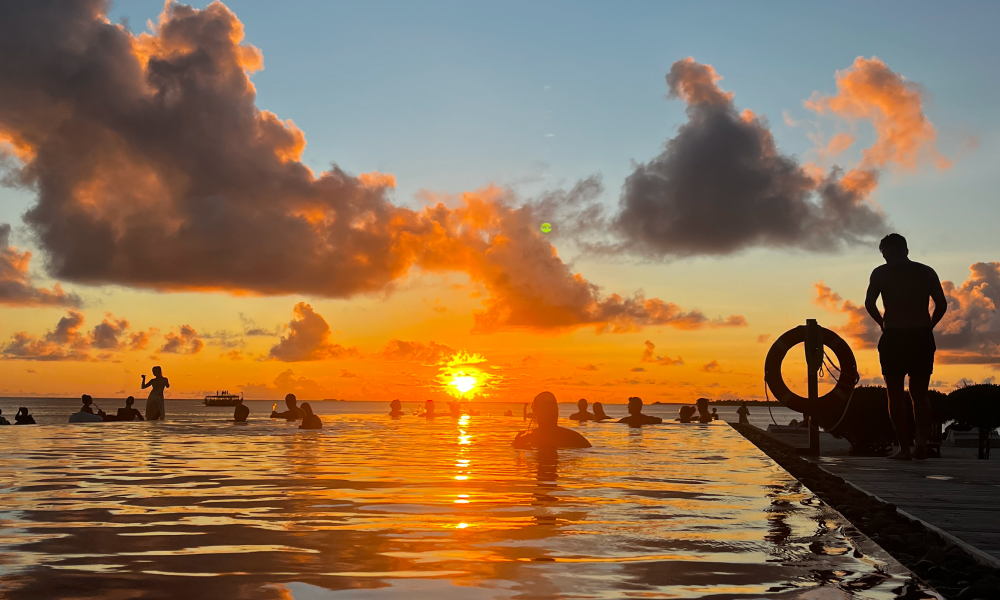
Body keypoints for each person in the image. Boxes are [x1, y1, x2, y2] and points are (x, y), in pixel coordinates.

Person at [865, 233, 947, 460]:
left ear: (903, 251)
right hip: (919, 335)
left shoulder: (881, 273)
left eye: (888, 254)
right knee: (919, 394)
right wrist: (929, 326)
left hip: (896, 335)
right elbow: (941, 304)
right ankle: (918, 443)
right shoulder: (925, 272)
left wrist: (882, 323)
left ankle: (905, 448)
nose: (888, 258)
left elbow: (869, 303)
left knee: (896, 395)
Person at [513, 392, 591, 449]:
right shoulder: (524, 439)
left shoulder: (574, 439)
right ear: (535, 412)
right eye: (545, 406)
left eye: (552, 405)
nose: (550, 410)